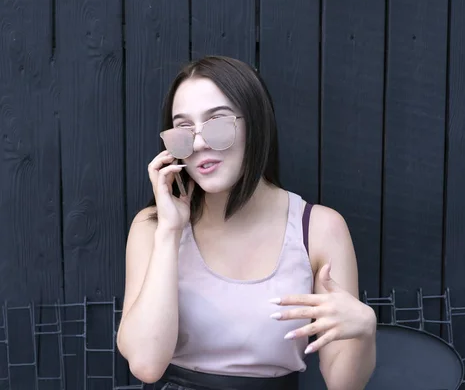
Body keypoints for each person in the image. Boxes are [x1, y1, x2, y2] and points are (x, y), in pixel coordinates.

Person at [116, 55, 377, 390]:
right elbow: (146, 364)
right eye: (183, 130)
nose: (198, 144)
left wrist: (364, 329)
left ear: (255, 124)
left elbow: (345, 385)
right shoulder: (152, 227)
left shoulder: (320, 229)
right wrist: (170, 231)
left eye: (218, 124)